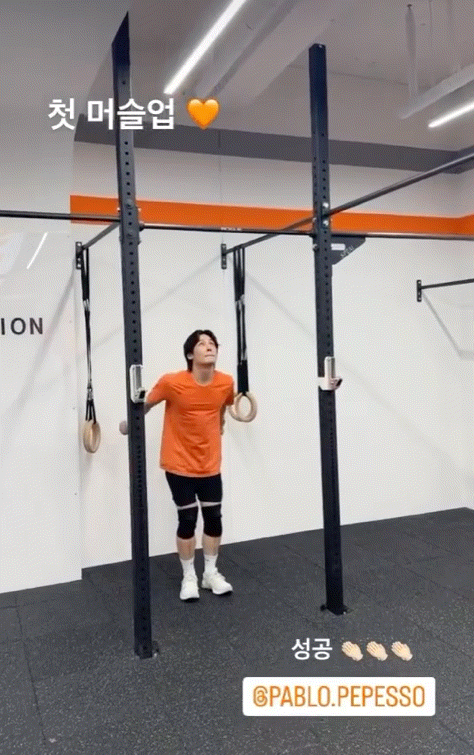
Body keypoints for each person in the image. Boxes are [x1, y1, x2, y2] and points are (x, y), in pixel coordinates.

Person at [120, 330, 235, 601]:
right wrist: (128, 424)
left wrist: (219, 424)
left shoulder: (226, 382)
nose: (209, 347)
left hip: (210, 464)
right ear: (190, 354)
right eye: (202, 344)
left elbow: (223, 406)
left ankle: (210, 573)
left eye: (212, 343)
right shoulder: (172, 382)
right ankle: (189, 576)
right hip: (178, 463)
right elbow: (146, 405)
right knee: (188, 519)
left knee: (214, 517)